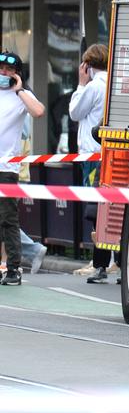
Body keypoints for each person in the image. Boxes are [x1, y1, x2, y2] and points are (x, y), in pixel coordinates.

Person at [0, 51, 46, 286]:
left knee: (8, 220)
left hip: (6, 168)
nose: (3, 73)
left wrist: (19, 90)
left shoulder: (21, 95)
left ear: (16, 73)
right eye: (1, 68)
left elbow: (38, 112)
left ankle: (14, 268)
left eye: (8, 70)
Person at [69, 44, 113, 284]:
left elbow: (75, 113)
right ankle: (112, 259)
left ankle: (98, 263)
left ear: (87, 65)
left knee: (95, 211)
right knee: (111, 207)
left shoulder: (93, 86)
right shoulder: (111, 82)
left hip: (91, 154)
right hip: (108, 151)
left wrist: (80, 84)